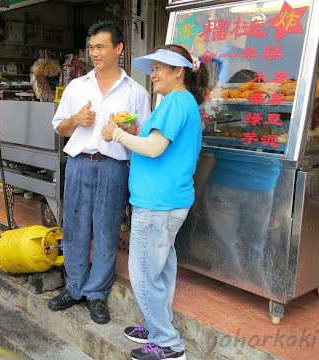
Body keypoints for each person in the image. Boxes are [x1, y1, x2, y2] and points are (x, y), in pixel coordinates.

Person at [102, 44, 209, 360]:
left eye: (160, 67)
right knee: (161, 269)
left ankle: (170, 345)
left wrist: (117, 135)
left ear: (178, 71)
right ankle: (155, 324)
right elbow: (152, 142)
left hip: (158, 203)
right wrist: (133, 131)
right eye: (153, 68)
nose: (153, 74)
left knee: (144, 274)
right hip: (165, 200)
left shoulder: (176, 101)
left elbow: (153, 149)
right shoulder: (178, 102)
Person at [49, 20, 151, 325]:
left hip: (113, 167)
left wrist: (131, 130)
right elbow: (59, 126)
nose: (94, 53)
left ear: (118, 49)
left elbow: (143, 136)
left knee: (107, 231)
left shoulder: (136, 92)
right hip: (79, 163)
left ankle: (96, 294)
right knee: (75, 228)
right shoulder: (76, 87)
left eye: (101, 46)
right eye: (91, 47)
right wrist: (76, 120)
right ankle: (75, 287)